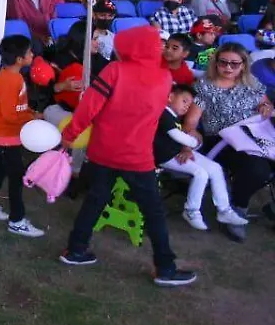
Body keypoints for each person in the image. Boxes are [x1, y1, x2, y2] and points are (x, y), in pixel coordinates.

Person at [59, 26, 197, 286]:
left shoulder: (114, 71)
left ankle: (76, 249)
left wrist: (70, 134)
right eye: (157, 43)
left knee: (94, 201)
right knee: (154, 211)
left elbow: (89, 106)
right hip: (137, 156)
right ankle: (165, 268)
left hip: (103, 150)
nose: (161, 47)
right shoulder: (164, 78)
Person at [182, 43, 271, 242]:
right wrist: (192, 133)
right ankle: (236, 209)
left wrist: (265, 105)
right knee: (257, 169)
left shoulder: (252, 83)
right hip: (221, 140)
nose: (228, 68)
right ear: (216, 63)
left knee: (262, 165)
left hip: (253, 135)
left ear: (243, 65)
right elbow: (191, 121)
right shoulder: (205, 87)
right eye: (223, 63)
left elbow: (264, 103)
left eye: (234, 64)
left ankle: (267, 203)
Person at [0, 35, 45, 237]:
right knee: (16, 177)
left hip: (11, 134)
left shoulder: (14, 76)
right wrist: (30, 119)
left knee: (0, 169)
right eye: (29, 52)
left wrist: (30, 113)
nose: (32, 55)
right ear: (19, 59)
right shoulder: (9, 79)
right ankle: (17, 220)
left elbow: (17, 107)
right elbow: (9, 114)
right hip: (7, 136)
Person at [154, 84, 248, 231]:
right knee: (200, 173)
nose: (187, 107)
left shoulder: (175, 117)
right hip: (165, 156)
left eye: (189, 104)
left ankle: (224, 210)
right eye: (184, 101)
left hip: (177, 152)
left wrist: (191, 145)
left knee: (216, 168)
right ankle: (191, 210)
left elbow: (183, 139)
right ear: (170, 97)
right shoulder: (164, 115)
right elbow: (178, 136)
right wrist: (194, 142)